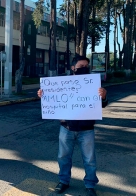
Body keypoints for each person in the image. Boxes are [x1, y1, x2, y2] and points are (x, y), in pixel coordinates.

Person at [37, 56, 108, 196]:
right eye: (81, 65)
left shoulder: (92, 83)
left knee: (90, 159)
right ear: (73, 67)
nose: (84, 68)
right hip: (66, 127)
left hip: (87, 129)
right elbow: (52, 101)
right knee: (63, 157)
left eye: (87, 66)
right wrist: (43, 95)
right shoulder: (62, 83)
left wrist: (104, 96)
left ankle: (90, 185)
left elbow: (101, 105)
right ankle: (64, 181)